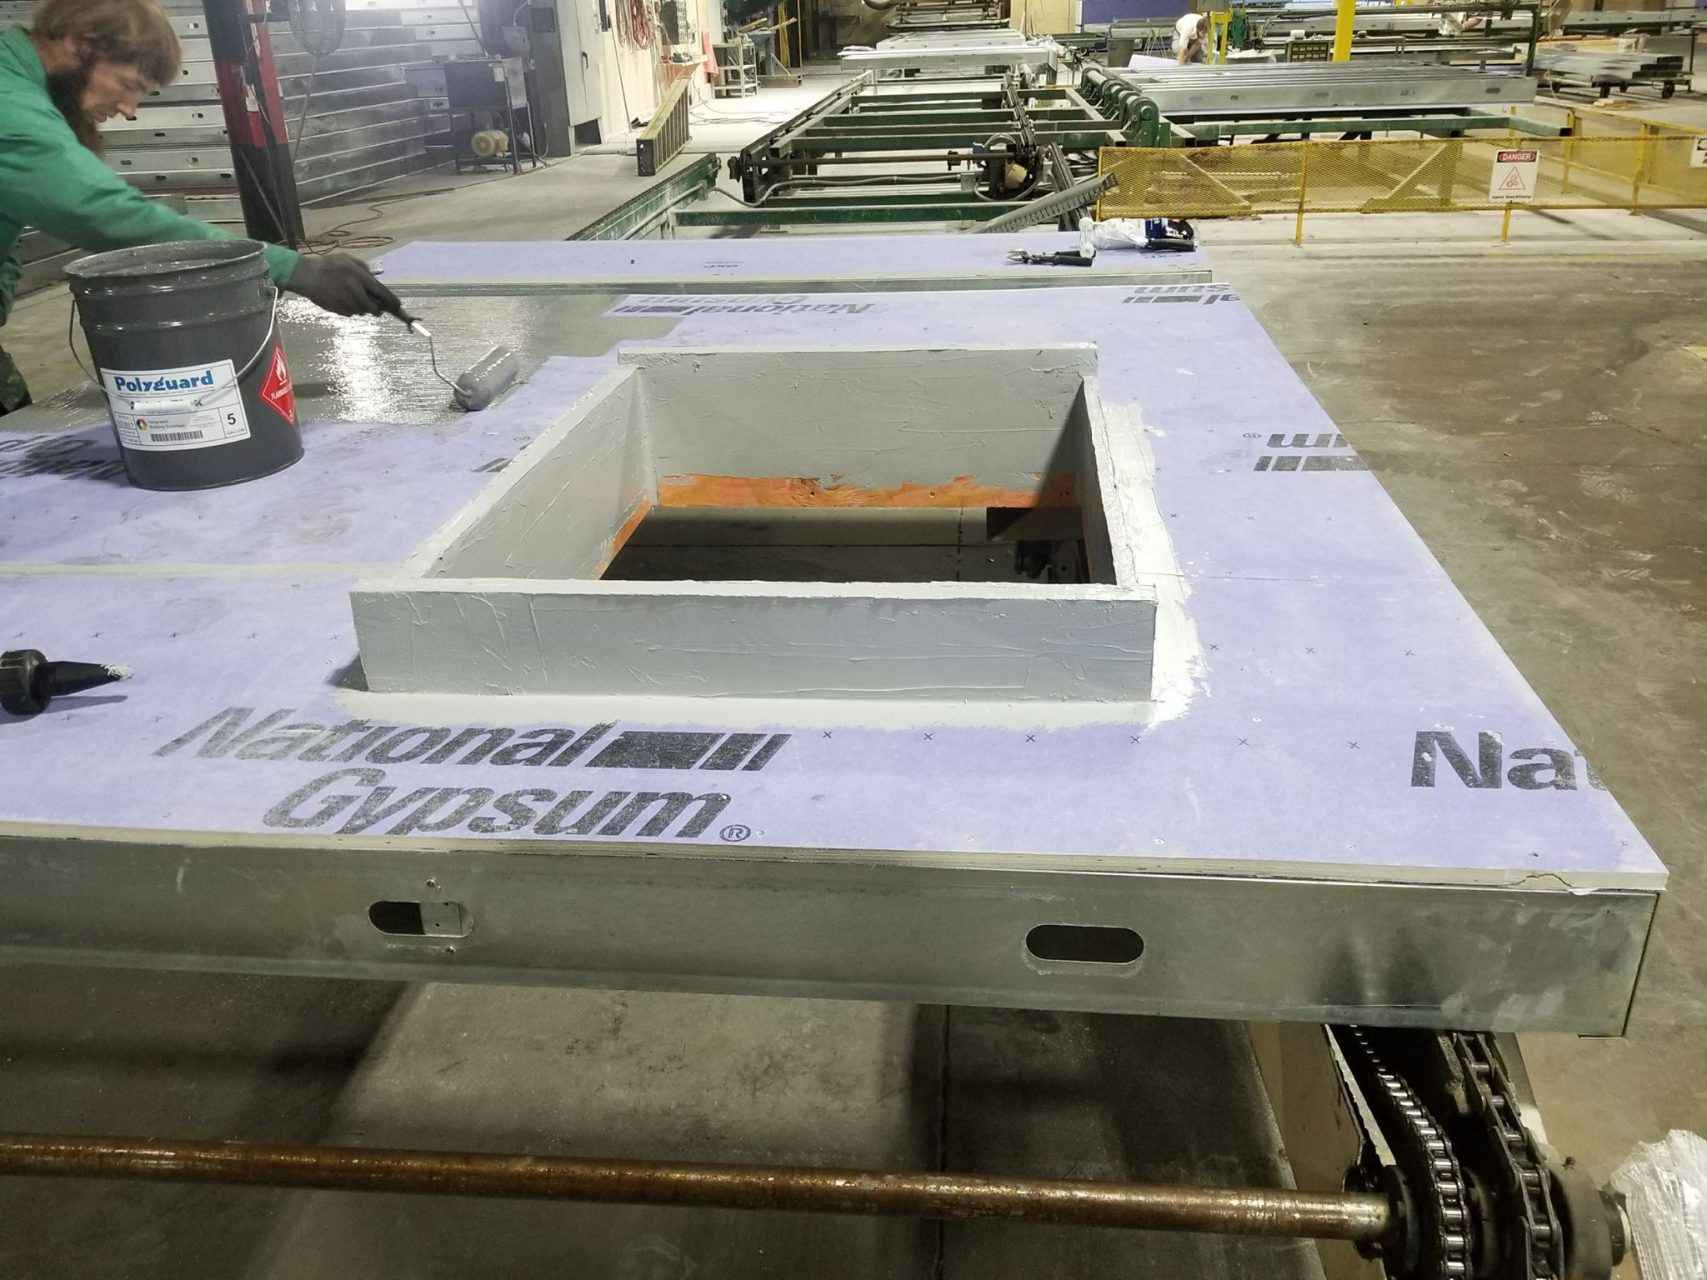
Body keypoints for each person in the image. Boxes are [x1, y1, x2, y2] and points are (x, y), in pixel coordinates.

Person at [0, 0, 401, 414]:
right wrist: (293, 270)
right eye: (130, 84)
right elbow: (108, 214)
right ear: (79, 44)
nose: (128, 110)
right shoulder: (11, 108)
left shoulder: (19, 88)